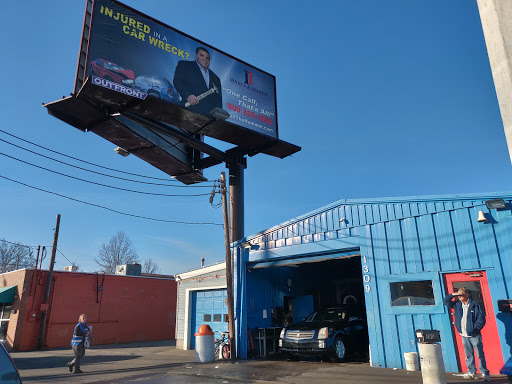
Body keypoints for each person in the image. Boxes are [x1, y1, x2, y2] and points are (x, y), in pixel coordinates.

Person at [443, 288, 489, 381]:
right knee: (468, 355)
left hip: (474, 335)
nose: (459, 297)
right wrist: (453, 294)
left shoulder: (475, 305)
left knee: (480, 354)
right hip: (463, 334)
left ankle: (484, 373)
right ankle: (471, 372)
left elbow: (481, 319)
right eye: (458, 295)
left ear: (467, 295)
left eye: (461, 295)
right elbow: (445, 301)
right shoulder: (457, 304)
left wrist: (474, 329)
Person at [173, 47, 222, 116]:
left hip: (208, 119)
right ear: (196, 55)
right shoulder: (185, 65)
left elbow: (218, 101)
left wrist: (219, 117)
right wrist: (188, 95)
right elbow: (178, 81)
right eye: (202, 55)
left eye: (207, 58)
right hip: (187, 112)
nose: (205, 59)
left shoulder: (216, 78)